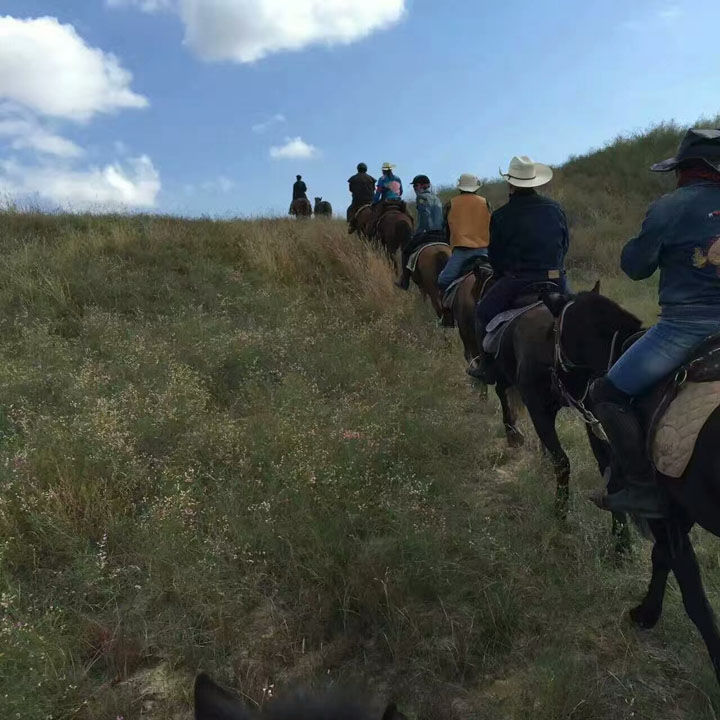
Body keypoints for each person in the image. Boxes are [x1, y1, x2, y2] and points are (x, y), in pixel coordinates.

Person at [589, 128, 720, 518]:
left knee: (607, 394)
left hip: (685, 328)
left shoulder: (671, 206)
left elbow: (635, 266)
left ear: (687, 169)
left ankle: (643, 488)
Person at [470, 156, 569, 380]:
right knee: (578, 312)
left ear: (510, 183)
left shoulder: (502, 215)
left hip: (518, 280)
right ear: (534, 182)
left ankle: (487, 368)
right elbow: (565, 245)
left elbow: (495, 256)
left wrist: (503, 273)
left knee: (482, 313)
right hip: (556, 278)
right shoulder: (555, 209)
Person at [436, 174, 492, 294]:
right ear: (476, 187)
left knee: (443, 281)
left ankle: (446, 309)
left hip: (461, 252)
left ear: (460, 187)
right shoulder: (485, 202)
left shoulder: (451, 204)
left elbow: (445, 228)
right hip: (485, 251)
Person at [395, 175, 445, 289]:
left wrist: (417, 233)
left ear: (420, 186)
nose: (414, 189)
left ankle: (405, 281)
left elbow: (424, 218)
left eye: (415, 186)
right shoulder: (436, 198)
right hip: (441, 234)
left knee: (406, 251)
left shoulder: (421, 198)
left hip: (428, 233)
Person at [347, 163, 376, 234]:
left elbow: (351, 189)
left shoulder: (353, 179)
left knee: (349, 210)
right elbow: (373, 189)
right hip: (370, 201)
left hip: (357, 201)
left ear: (358, 169)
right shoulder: (371, 179)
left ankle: (352, 225)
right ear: (366, 169)